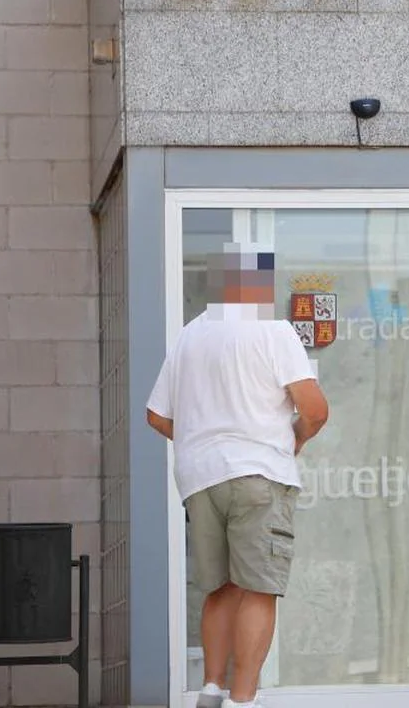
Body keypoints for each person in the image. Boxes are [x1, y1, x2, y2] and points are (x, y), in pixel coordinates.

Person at [146, 244, 329, 708]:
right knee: (259, 587)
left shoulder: (189, 335)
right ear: (258, 285)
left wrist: (200, 441)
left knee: (220, 587)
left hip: (200, 478)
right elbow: (314, 409)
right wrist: (297, 439)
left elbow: (156, 415)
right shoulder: (272, 329)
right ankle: (244, 700)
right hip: (258, 473)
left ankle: (210, 691)